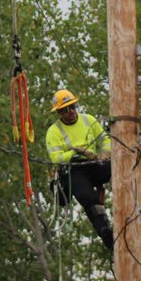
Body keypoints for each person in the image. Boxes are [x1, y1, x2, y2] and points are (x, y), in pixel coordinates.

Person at [45, 89, 114, 252]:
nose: (70, 112)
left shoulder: (88, 120)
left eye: (72, 107)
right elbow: (56, 158)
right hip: (74, 170)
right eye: (65, 110)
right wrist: (78, 152)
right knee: (88, 198)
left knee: (120, 169)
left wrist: (105, 153)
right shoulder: (54, 132)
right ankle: (104, 231)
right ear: (59, 112)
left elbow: (105, 139)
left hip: (95, 164)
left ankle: (133, 206)